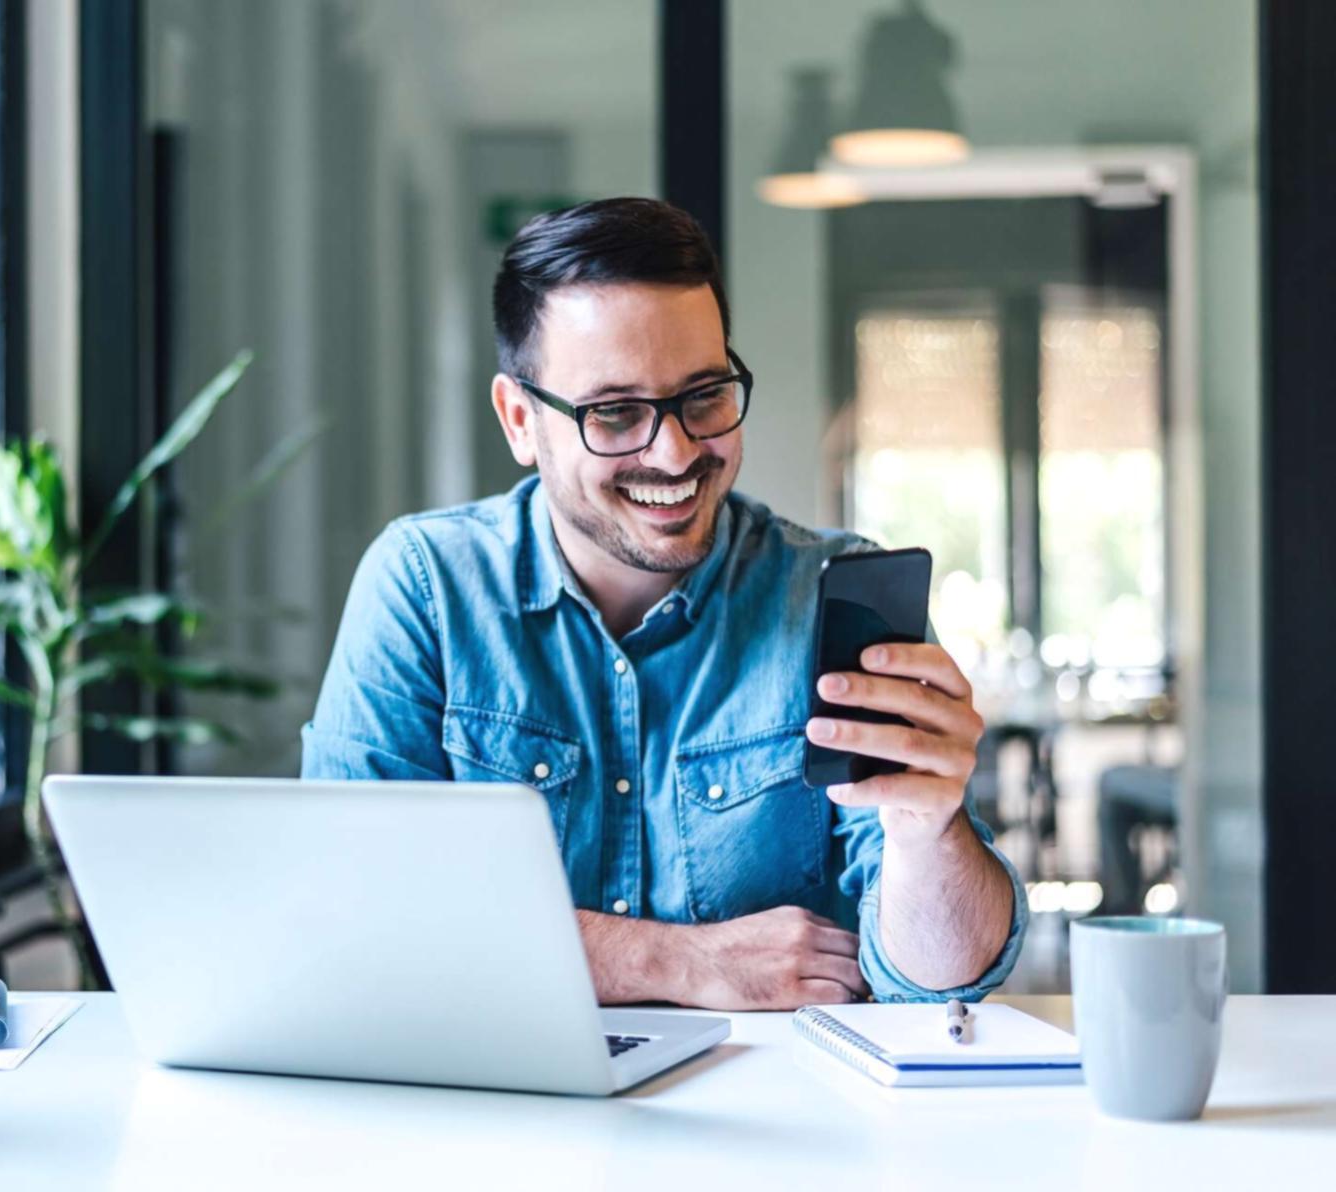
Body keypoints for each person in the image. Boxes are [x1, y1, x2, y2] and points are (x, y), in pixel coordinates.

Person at [301, 198, 1025, 1010]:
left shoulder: (830, 596)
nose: (675, 452)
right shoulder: (427, 586)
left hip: (787, 1124)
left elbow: (942, 983)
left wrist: (931, 827)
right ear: (519, 420)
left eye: (704, 395)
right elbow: (355, 915)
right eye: (614, 413)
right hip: (499, 1114)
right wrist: (675, 961)